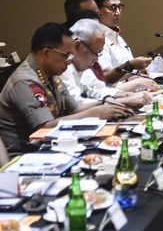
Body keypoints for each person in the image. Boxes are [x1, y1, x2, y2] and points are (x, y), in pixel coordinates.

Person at [0, 23, 131, 151]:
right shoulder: (25, 81)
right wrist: (95, 113)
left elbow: (75, 109)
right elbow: (45, 127)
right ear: (46, 53)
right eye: (66, 55)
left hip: (49, 145)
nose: (69, 61)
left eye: (72, 55)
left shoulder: (51, 73)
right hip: (25, 154)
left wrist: (107, 102)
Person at [61, 19, 152, 109]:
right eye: (95, 52)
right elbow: (76, 105)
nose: (97, 59)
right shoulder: (62, 67)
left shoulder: (83, 66)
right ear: (77, 46)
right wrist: (122, 101)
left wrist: (125, 95)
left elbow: (98, 90)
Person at [92, 0, 152, 83]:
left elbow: (125, 72)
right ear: (97, 10)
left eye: (120, 7)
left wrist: (139, 71)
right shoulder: (97, 38)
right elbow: (104, 79)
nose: (118, 12)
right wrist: (131, 65)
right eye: (112, 7)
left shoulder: (118, 37)